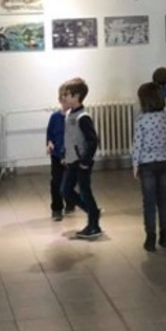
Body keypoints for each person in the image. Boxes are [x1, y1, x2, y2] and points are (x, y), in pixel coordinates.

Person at [132, 81, 166, 251]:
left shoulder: (141, 120)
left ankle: (150, 237)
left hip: (146, 163)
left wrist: (135, 164)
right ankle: (165, 236)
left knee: (149, 202)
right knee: (163, 200)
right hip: (164, 161)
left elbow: (137, 144)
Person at [59, 78, 102, 239]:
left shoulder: (83, 117)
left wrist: (85, 161)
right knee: (66, 191)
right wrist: (65, 154)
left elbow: (92, 141)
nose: (64, 97)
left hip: (81, 163)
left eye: (67, 94)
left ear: (77, 96)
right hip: (72, 161)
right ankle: (93, 212)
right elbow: (70, 138)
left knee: (85, 191)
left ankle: (94, 224)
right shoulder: (70, 114)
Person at [45, 87, 69, 220]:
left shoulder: (74, 117)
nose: (65, 99)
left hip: (71, 155)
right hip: (57, 155)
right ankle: (57, 208)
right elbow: (50, 133)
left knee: (70, 182)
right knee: (56, 182)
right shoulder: (54, 117)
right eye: (63, 96)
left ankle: (71, 202)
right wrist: (49, 143)